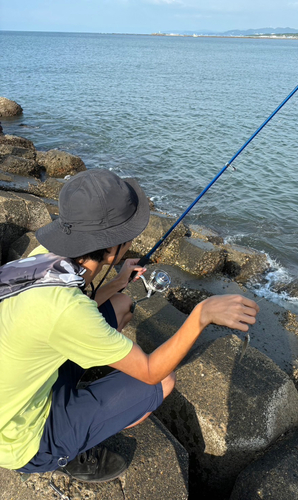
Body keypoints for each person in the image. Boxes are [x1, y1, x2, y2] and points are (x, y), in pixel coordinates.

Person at [0, 169, 259, 483]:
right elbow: (151, 370)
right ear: (111, 248)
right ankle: (66, 449)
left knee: (121, 305)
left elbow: (71, 308)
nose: (132, 239)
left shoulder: (41, 257)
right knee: (160, 384)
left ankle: (79, 409)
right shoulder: (66, 310)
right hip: (20, 438)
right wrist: (201, 315)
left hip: (22, 383)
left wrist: (121, 280)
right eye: (128, 234)